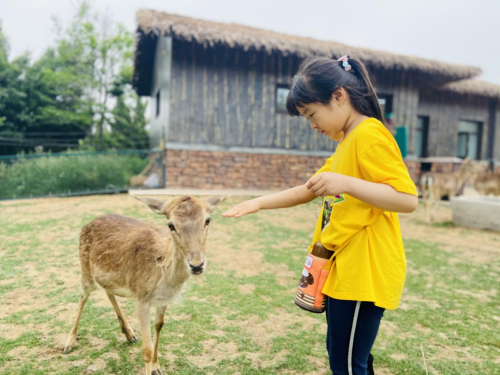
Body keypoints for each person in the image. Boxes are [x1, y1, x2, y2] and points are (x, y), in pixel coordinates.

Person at [223, 55, 418, 375]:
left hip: (364, 272)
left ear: (338, 96)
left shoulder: (370, 135)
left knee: (347, 363)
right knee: (343, 355)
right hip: (343, 270)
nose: (313, 125)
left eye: (312, 114)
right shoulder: (345, 144)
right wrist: (260, 202)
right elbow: (309, 189)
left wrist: (347, 183)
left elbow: (407, 199)